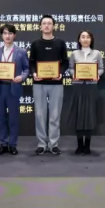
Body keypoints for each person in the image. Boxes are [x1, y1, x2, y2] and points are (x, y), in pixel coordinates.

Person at [0, 24, 30, 156]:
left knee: (13, 119)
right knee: (0, 118)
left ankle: (12, 144)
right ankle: (3, 144)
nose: (8, 36)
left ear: (14, 35)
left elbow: (27, 69)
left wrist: (21, 77)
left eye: (10, 33)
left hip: (13, 88)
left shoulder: (21, 51)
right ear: (2, 35)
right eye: (5, 33)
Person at [30, 15, 69, 155]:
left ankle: (53, 144)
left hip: (56, 83)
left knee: (55, 115)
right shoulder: (35, 44)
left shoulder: (60, 43)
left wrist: (61, 73)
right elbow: (31, 62)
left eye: (49, 23)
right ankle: (42, 143)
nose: (46, 26)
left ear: (53, 26)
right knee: (40, 115)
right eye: (44, 23)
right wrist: (34, 73)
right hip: (39, 83)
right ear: (40, 27)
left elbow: (65, 62)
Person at [67, 30, 103, 155]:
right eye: (83, 37)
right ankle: (79, 145)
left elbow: (101, 68)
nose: (85, 39)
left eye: (88, 37)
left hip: (91, 87)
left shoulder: (97, 53)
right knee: (78, 115)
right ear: (79, 39)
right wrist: (74, 74)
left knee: (89, 115)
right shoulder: (74, 53)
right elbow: (71, 68)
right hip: (78, 86)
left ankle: (87, 145)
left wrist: (97, 75)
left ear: (91, 39)